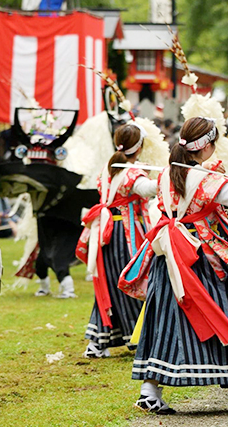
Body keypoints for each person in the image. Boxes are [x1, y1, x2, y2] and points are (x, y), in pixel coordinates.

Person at [128, 117, 228, 413]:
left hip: (169, 259)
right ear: (208, 145)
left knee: (163, 320)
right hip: (204, 261)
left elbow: (148, 189)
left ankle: (150, 391)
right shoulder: (208, 181)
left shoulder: (167, 175)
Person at [76, 123, 156, 358]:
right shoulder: (131, 172)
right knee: (130, 282)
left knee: (110, 283)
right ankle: (137, 338)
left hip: (107, 231)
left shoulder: (109, 168)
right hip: (124, 232)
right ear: (139, 147)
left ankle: (99, 342)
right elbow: (148, 189)